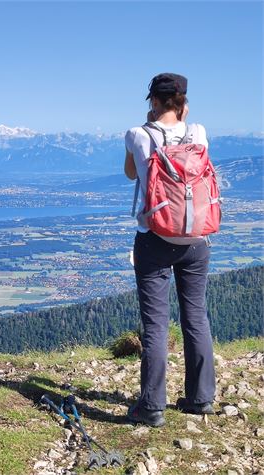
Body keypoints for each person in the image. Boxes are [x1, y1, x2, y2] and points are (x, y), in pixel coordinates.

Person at [123, 73, 216, 427]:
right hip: (196, 240)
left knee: (156, 323)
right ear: (182, 102)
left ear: (154, 101)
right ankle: (201, 398)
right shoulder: (200, 133)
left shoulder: (137, 135)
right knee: (196, 317)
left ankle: (152, 407)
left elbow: (131, 174)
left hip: (155, 239)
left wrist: (150, 127)